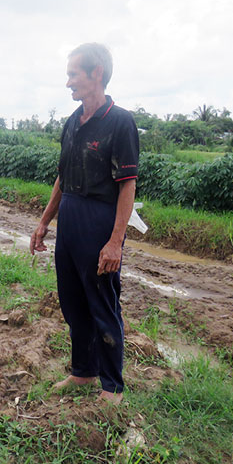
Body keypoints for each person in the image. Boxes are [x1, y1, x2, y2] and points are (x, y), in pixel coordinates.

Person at [30, 43, 139, 405]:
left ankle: (112, 386)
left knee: (102, 304)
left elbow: (127, 185)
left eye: (73, 74)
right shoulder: (72, 123)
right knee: (73, 302)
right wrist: (45, 221)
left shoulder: (119, 122)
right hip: (71, 219)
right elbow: (62, 177)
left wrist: (115, 242)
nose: (68, 83)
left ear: (96, 74)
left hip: (99, 220)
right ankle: (83, 372)